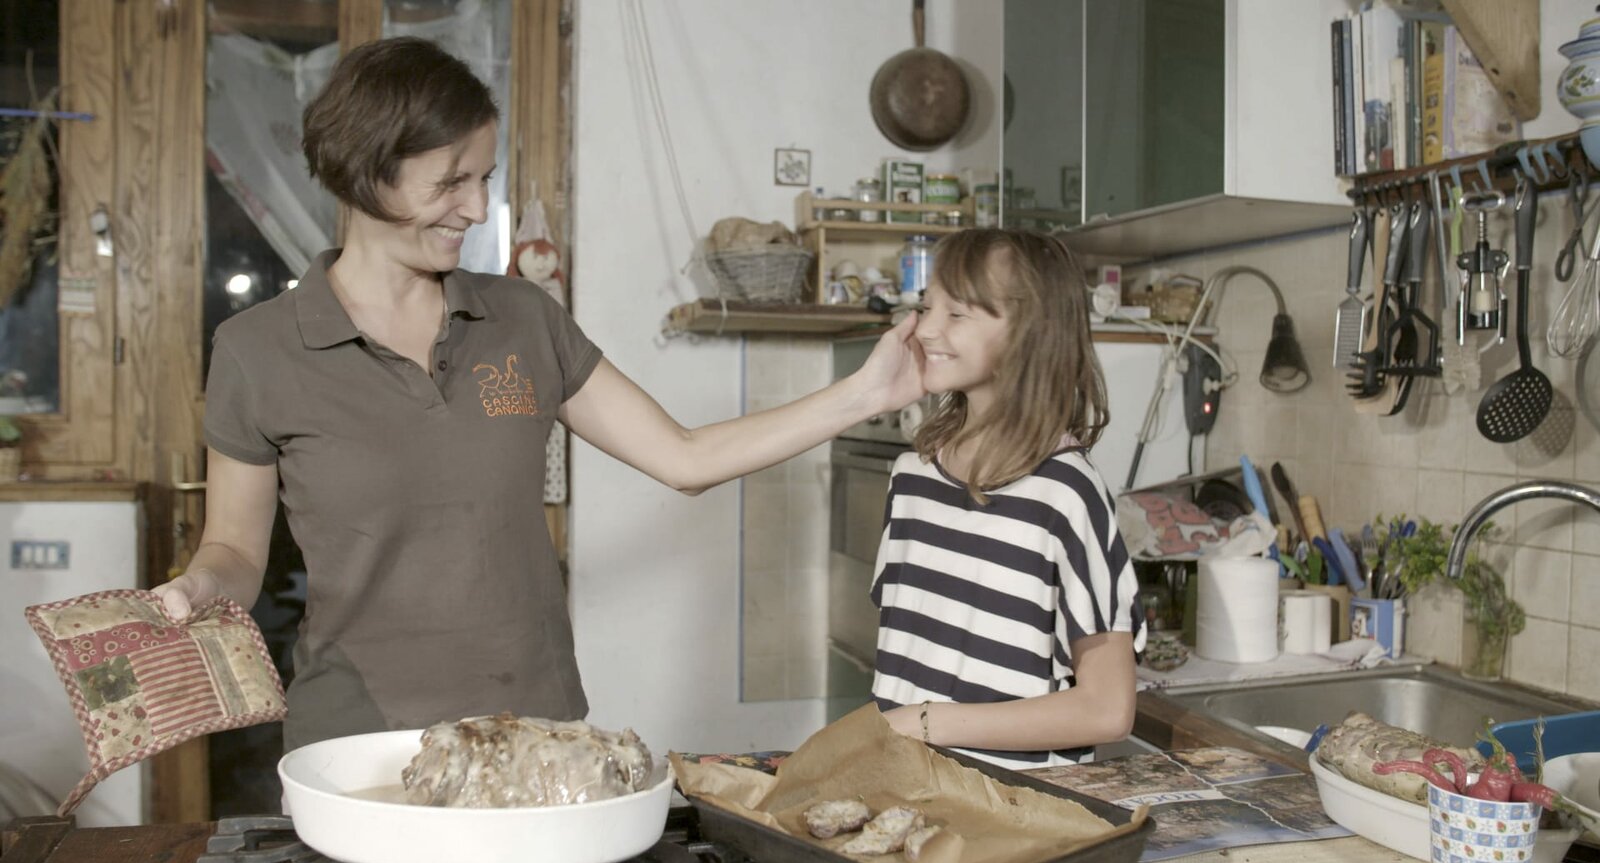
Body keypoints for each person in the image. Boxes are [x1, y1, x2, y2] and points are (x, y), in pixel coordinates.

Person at [152, 36, 924, 752]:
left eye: (483, 179)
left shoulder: (523, 318)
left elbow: (684, 458)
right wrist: (202, 584)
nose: (475, 208)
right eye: (450, 182)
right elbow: (236, 552)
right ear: (364, 171)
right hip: (359, 739)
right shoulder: (258, 350)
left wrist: (864, 393)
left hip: (532, 726)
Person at [871, 228, 1145, 770]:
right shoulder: (911, 477)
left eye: (957, 313)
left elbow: (1108, 709)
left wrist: (926, 723)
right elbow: (906, 661)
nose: (925, 328)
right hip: (906, 785)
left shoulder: (1065, 493)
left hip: (1015, 804)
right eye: (926, 307)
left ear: (1028, 333)